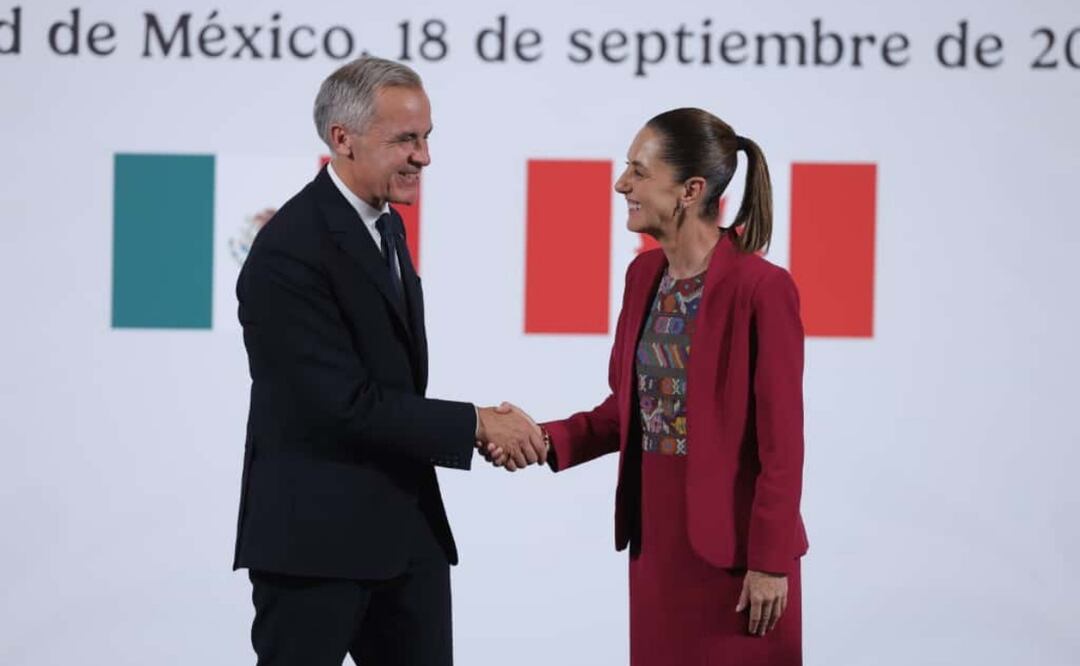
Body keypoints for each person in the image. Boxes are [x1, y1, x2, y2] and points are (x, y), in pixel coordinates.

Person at [232, 56, 547, 665]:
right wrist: (476, 424)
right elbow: (340, 407)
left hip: (406, 540)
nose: (424, 157)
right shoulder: (287, 254)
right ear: (341, 139)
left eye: (427, 138)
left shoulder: (386, 227)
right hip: (314, 548)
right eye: (405, 139)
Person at [488, 108, 809, 665]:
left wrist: (770, 561)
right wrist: (543, 438)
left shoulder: (763, 289)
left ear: (690, 190)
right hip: (658, 547)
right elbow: (629, 411)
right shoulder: (643, 277)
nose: (622, 185)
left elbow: (783, 444)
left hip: (737, 560)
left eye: (638, 171)